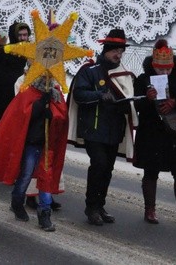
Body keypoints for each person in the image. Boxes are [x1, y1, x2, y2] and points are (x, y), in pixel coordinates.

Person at [0, 76, 68, 231]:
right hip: (32, 143)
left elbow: (62, 117)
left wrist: (54, 115)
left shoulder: (56, 94)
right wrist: (41, 104)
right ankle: (17, 202)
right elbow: (23, 114)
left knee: (46, 178)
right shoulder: (28, 91)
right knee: (26, 175)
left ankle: (45, 214)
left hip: (48, 144)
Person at [71, 28, 136, 226]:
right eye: (115, 50)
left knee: (107, 169)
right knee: (98, 164)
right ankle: (91, 207)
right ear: (106, 50)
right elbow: (79, 95)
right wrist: (99, 96)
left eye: (121, 51)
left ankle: (100, 205)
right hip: (94, 128)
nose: (118, 54)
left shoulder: (123, 74)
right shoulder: (89, 71)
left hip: (113, 129)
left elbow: (130, 99)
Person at [133, 39, 176, 225]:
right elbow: (135, 104)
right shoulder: (143, 79)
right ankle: (150, 210)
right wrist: (147, 98)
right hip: (151, 131)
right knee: (151, 171)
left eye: (168, 69)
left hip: (174, 129)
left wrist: (175, 101)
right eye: (161, 70)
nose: (164, 73)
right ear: (153, 65)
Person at [0, 23, 29, 150]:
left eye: (25, 35)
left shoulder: (30, 52)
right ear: (14, 36)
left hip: (21, 98)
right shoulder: (4, 53)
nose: (23, 38)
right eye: (20, 35)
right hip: (1, 100)